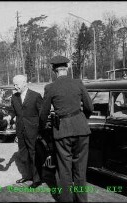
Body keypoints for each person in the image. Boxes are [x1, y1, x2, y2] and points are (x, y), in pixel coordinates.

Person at [39, 55, 94, 202]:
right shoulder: (78, 83)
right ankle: (82, 200)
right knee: (80, 170)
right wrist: (81, 120)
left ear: (53, 70)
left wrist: (42, 127)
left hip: (62, 131)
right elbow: (89, 107)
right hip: (82, 130)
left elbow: (43, 114)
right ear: (67, 68)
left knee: (64, 170)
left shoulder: (50, 87)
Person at [7, 74, 43, 188]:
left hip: (33, 130)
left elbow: (42, 114)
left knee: (33, 154)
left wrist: (40, 130)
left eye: (16, 84)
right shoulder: (14, 97)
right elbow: (12, 111)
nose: (15, 87)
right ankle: (27, 176)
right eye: (14, 85)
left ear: (24, 83)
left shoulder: (36, 96)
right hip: (20, 130)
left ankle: (37, 179)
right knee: (23, 155)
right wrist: (8, 117)